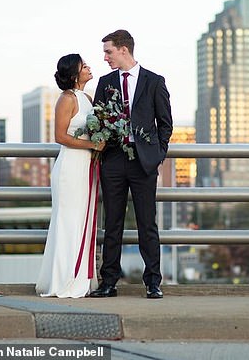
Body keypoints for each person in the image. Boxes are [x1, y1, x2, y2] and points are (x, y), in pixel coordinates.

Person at [90, 30, 173, 299]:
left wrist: (157, 155)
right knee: (111, 223)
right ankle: (109, 281)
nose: (105, 58)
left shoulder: (154, 81)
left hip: (143, 163)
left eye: (108, 52)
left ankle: (152, 282)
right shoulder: (105, 82)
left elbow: (165, 124)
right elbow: (99, 120)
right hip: (113, 161)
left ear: (123, 50)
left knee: (147, 223)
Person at [36, 54, 105, 298]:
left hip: (87, 167)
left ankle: (81, 279)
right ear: (75, 73)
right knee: (68, 221)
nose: (89, 67)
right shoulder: (66, 99)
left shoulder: (87, 98)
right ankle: (63, 280)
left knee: (84, 221)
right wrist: (92, 146)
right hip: (71, 167)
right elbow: (60, 136)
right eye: (83, 65)